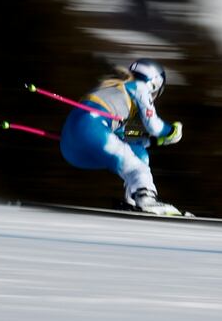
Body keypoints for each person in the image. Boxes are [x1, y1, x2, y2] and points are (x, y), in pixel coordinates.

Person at [60, 58, 185, 215]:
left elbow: (123, 135)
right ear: (153, 83)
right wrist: (171, 131)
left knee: (137, 153)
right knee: (136, 168)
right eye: (155, 93)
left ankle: (133, 200)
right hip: (93, 126)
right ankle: (145, 198)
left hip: (70, 148)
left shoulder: (114, 88)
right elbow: (154, 125)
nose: (153, 98)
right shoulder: (140, 87)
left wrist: (148, 140)